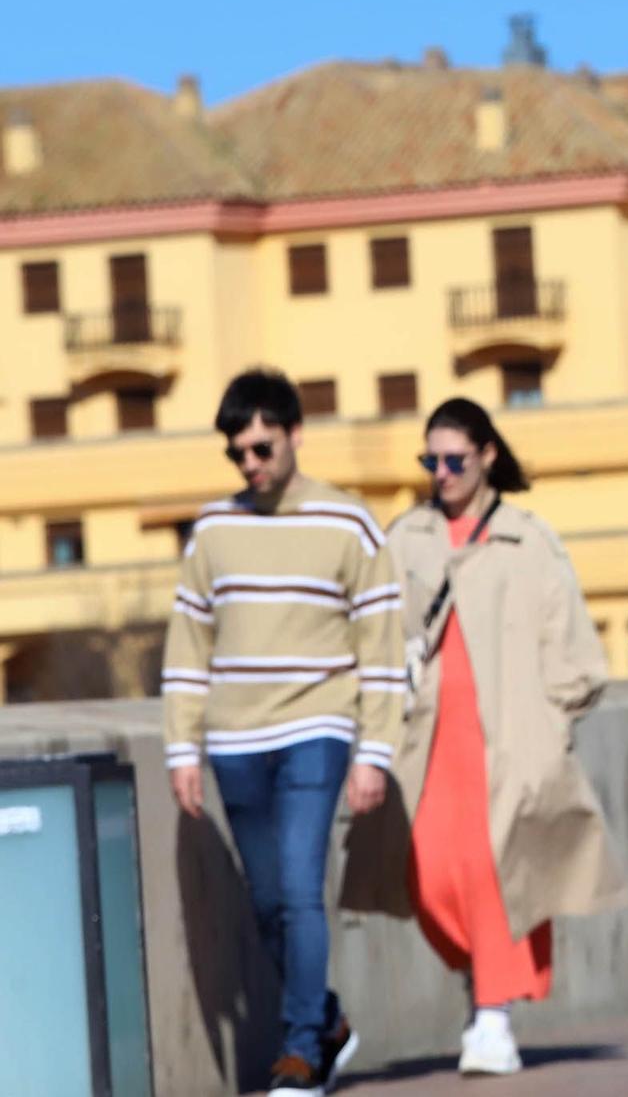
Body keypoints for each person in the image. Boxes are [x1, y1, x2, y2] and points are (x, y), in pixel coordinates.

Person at [340, 398, 627, 1076]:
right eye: (430, 460)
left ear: (487, 455)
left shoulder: (528, 536)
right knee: (430, 875)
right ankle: (485, 986)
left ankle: (492, 1016)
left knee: (499, 872)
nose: (441, 471)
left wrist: (552, 720)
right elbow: (374, 635)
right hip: (428, 737)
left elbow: (573, 643)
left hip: (512, 734)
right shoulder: (404, 536)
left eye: (454, 459)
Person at [162, 368, 403, 1097]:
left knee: (300, 890)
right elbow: (188, 647)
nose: (251, 464)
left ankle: (297, 1052)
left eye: (262, 447)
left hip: (317, 730)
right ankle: (325, 1019)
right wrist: (182, 746)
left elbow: (384, 646)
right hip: (234, 743)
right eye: (238, 454)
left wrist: (375, 753)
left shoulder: (349, 523)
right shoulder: (213, 530)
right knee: (267, 903)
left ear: (296, 434)